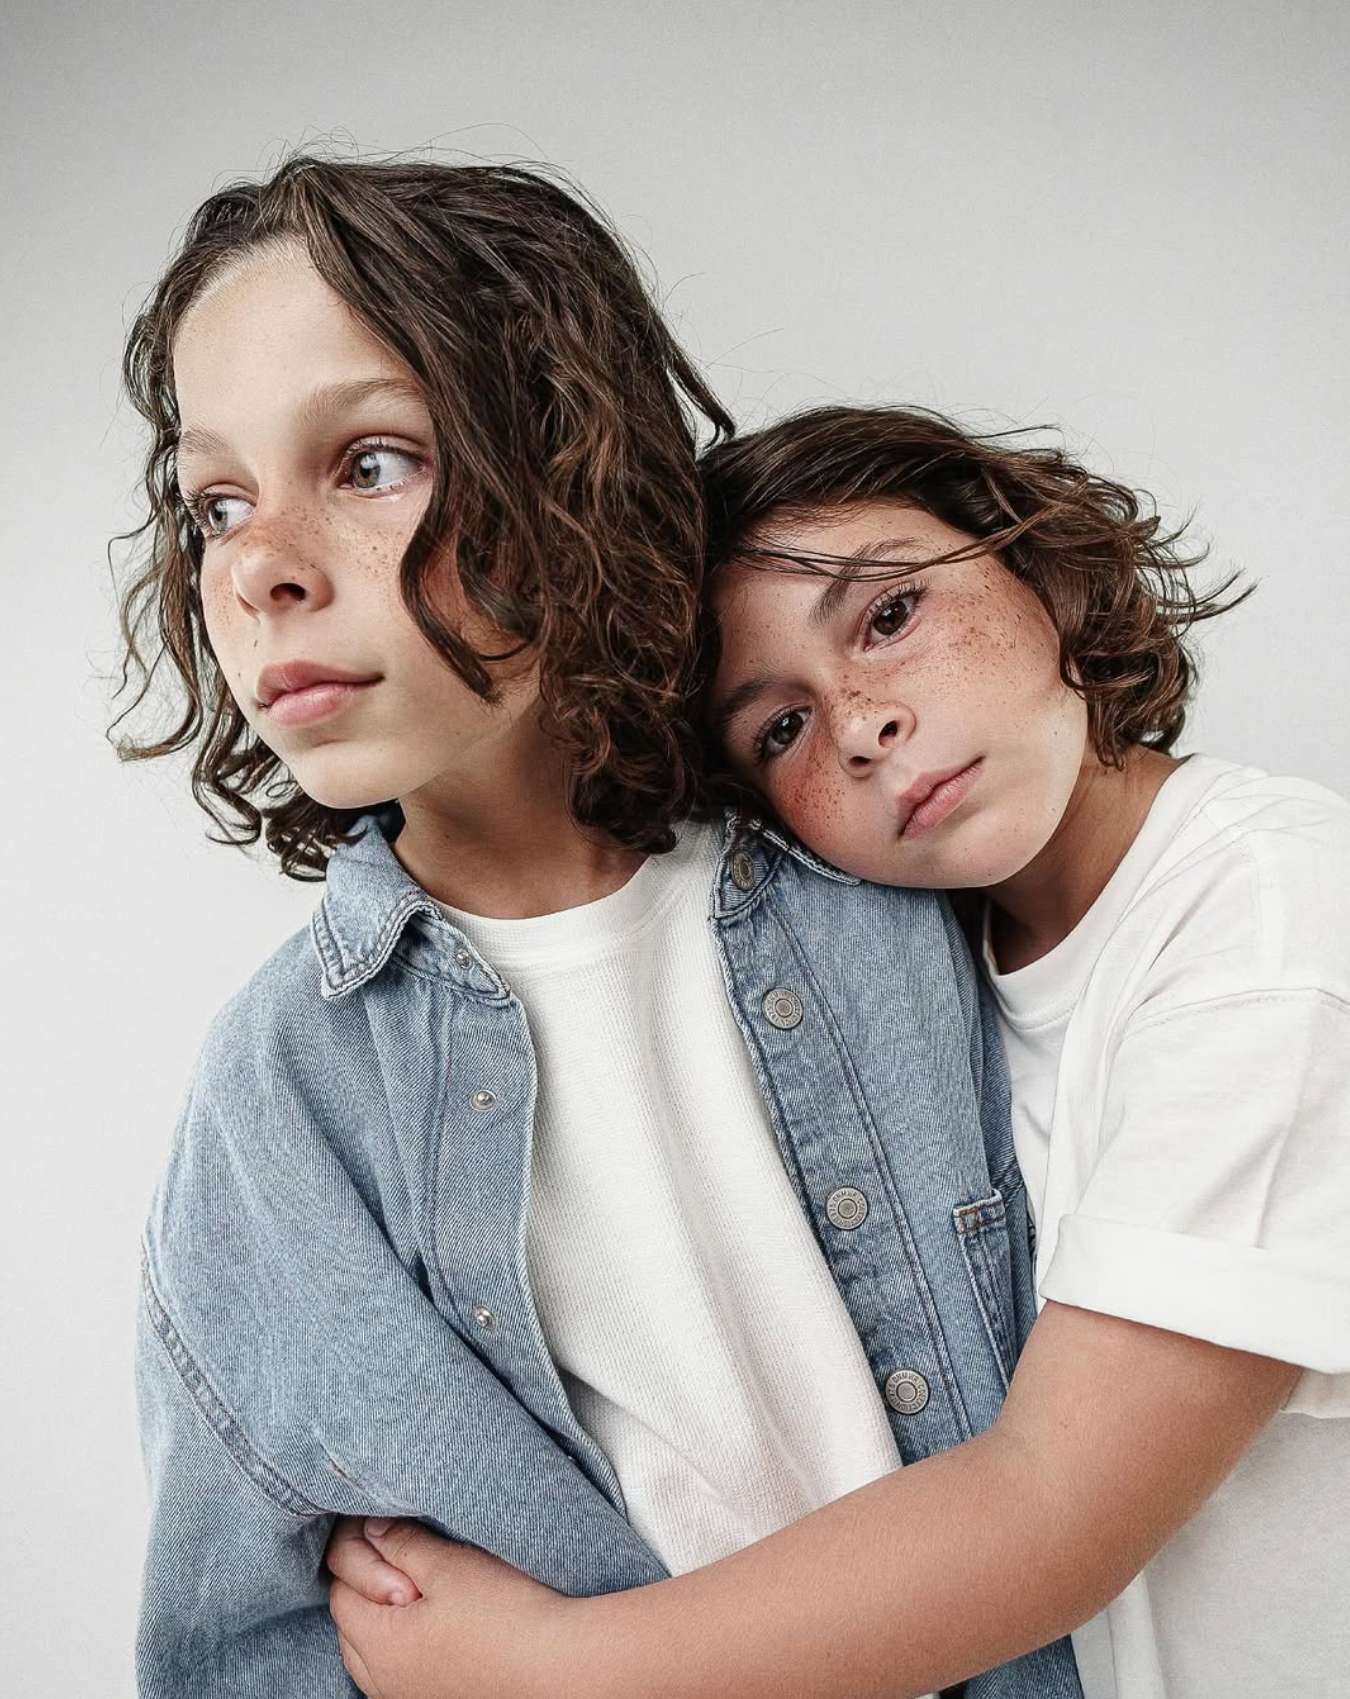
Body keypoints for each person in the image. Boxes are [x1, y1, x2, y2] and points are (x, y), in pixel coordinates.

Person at [117, 164, 1081, 1698]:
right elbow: (245, 1653)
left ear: (572, 469)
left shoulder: (886, 888)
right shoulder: (280, 1103)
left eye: (369, 461)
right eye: (216, 502)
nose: (258, 565)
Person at [326, 404, 1349, 1699]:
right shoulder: (931, 979)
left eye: (887, 615)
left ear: (1032, 565)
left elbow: (1054, 1503)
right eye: (779, 729)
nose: (860, 722)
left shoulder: (1272, 925)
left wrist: (547, 1668)